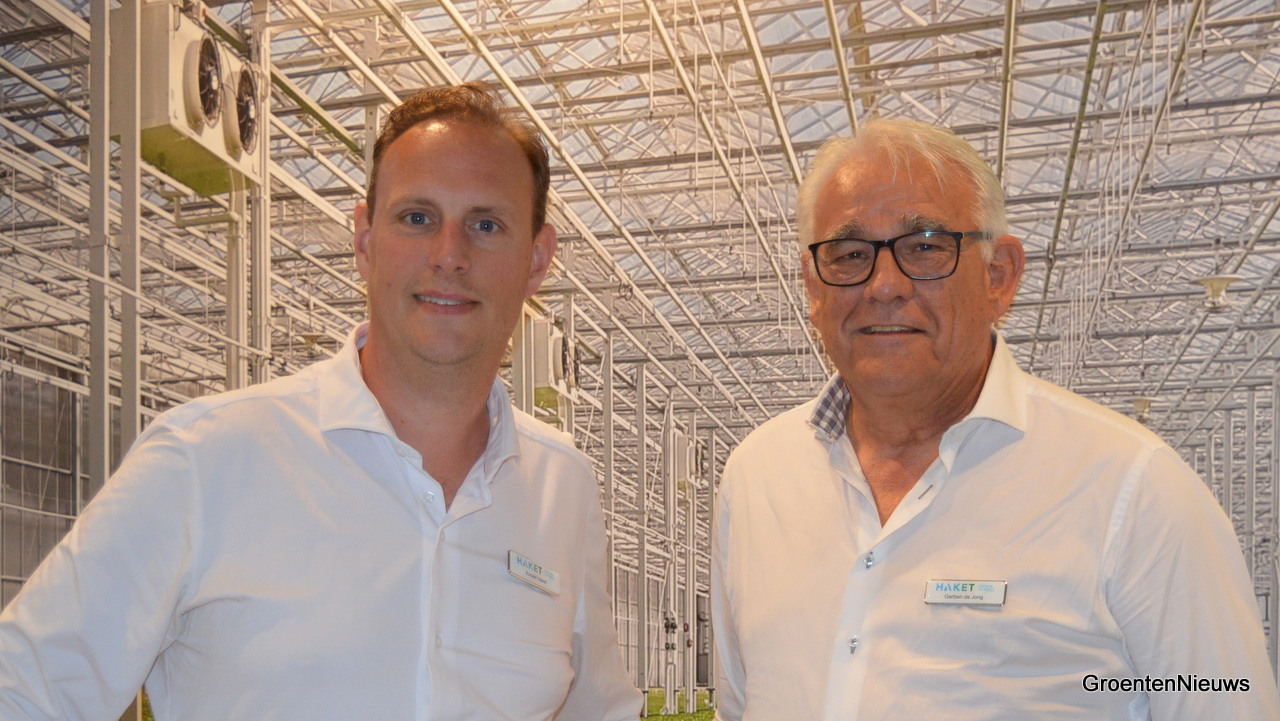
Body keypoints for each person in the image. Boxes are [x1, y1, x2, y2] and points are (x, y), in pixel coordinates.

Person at [0, 83, 641, 720]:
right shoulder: (205, 458)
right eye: (417, 218)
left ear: (537, 260)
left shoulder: (562, 487)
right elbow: (25, 693)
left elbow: (601, 710)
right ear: (364, 240)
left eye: (486, 224)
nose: (449, 255)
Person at [711, 118, 1280, 720]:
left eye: (925, 246)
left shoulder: (1131, 490)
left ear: (999, 276)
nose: (884, 285)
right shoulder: (757, 479)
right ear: (813, 288)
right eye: (850, 255)